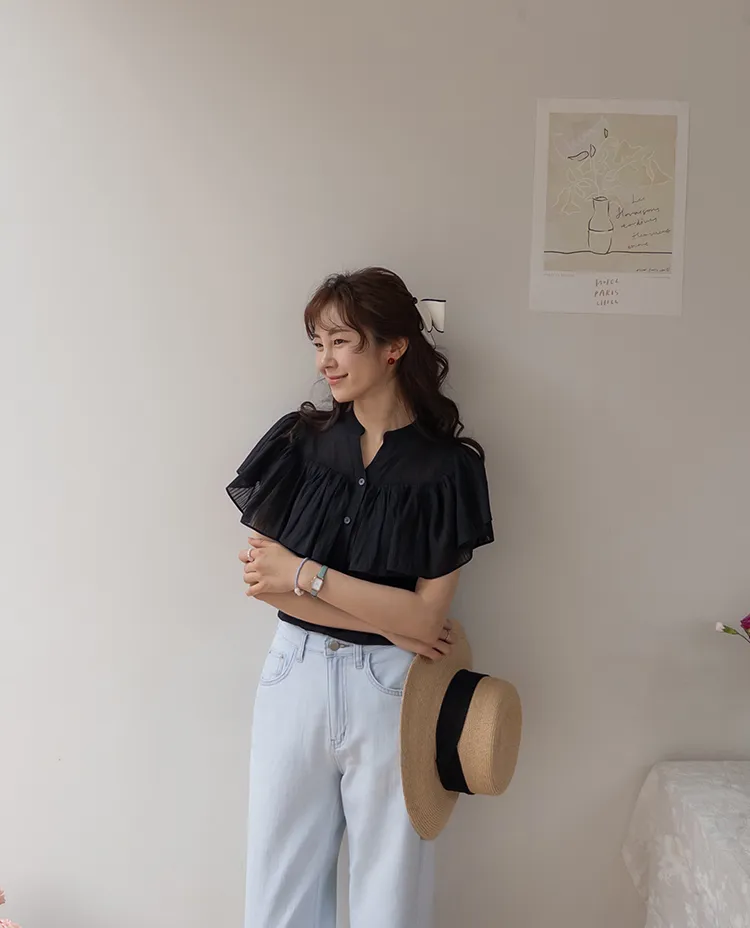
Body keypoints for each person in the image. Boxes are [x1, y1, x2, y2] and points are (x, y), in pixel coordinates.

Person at [226, 267, 494, 928]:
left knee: (390, 898)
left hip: (395, 689)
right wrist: (389, 619)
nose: (326, 360)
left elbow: (427, 619)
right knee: (278, 897)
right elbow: (263, 582)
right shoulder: (301, 443)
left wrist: (304, 574)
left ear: (393, 346)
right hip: (294, 673)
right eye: (319, 343)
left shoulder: (449, 469)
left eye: (342, 342)